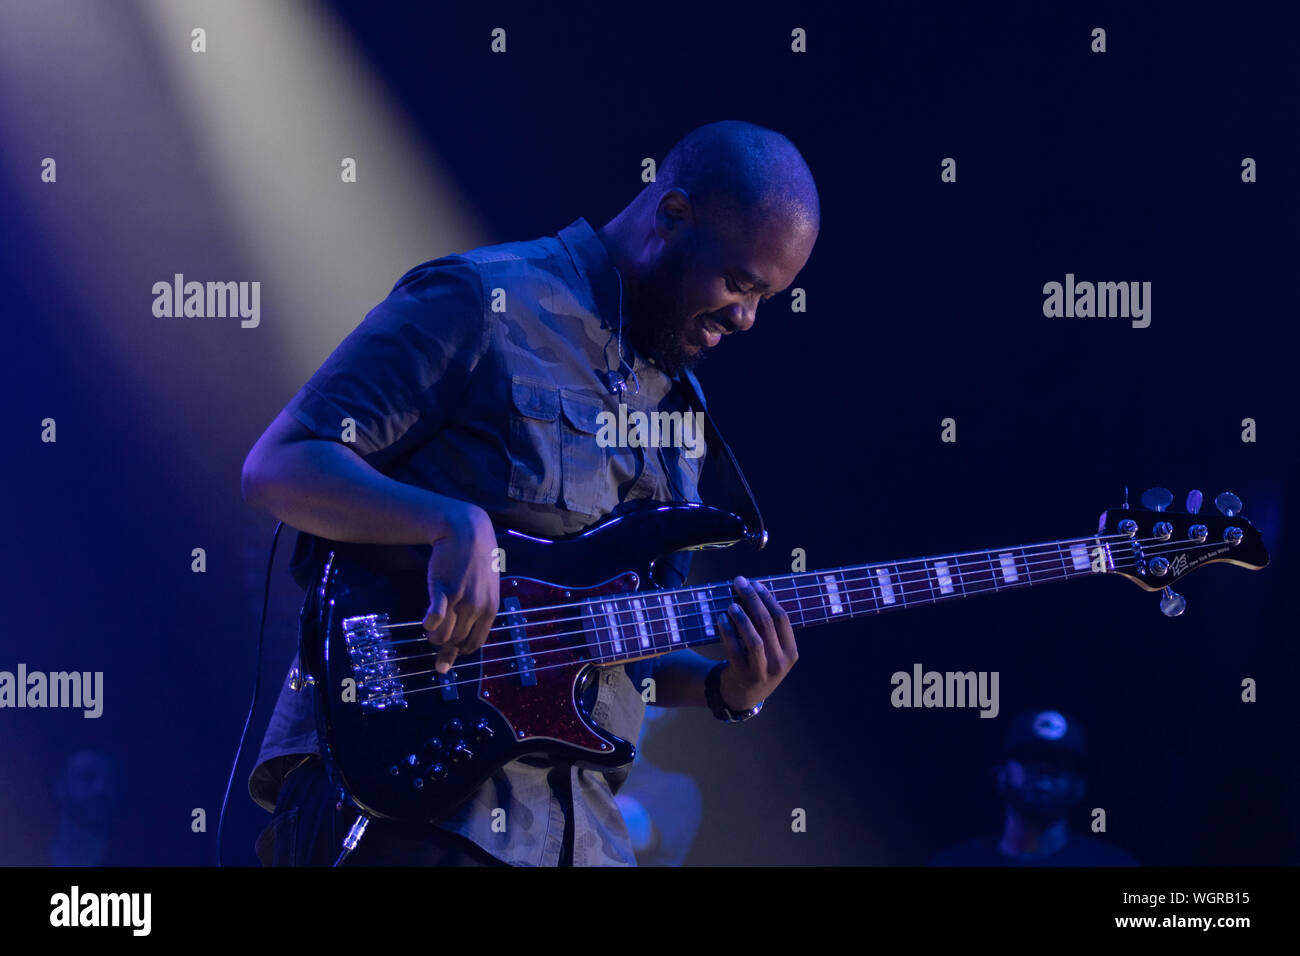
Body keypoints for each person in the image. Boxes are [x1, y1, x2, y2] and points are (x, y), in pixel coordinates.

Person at [241, 119, 820, 866]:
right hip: (414, 814)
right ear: (672, 216)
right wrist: (447, 523)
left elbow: (616, 648)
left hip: (583, 841)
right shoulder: (480, 299)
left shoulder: (684, 413)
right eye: (739, 283)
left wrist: (726, 689)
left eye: (767, 297)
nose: (746, 317)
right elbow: (281, 464)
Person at [930, 709, 1139, 866]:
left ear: (1079, 785)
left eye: (1060, 762)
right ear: (1001, 774)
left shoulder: (1114, 864)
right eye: (1030, 758)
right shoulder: (953, 863)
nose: (1044, 769)